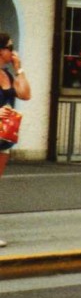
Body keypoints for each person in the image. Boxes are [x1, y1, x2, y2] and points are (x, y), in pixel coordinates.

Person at [0, 32, 32, 249]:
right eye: (11, 48)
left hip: (3, 137)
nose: (13, 51)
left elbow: (26, 94)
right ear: (1, 51)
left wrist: (19, 68)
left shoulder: (8, 75)